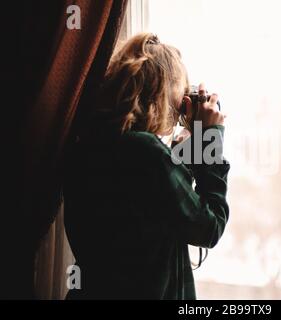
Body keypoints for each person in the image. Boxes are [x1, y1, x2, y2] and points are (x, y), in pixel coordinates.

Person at [63, 33, 230, 299]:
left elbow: (152, 208)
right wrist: (210, 140)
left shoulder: (86, 145)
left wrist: (185, 152)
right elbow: (208, 226)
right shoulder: (147, 153)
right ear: (160, 92)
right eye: (179, 92)